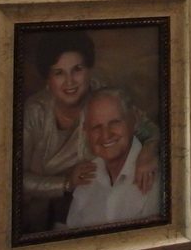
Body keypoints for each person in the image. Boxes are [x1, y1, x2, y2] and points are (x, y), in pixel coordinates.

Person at [21, 31, 159, 233]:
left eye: (77, 69)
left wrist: (148, 152)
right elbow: (12, 178)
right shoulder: (35, 112)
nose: (70, 82)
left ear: (89, 71)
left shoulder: (103, 98)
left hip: (90, 197)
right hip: (35, 211)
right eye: (59, 73)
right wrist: (65, 183)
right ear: (48, 79)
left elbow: (150, 129)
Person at [65, 89, 163, 229]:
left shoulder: (156, 174)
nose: (106, 135)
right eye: (96, 127)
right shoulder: (86, 176)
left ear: (133, 120)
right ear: (86, 131)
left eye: (115, 122)